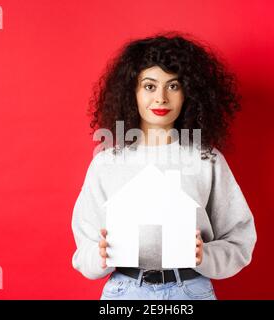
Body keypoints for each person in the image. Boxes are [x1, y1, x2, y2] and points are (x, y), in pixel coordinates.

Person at [71, 32, 257, 300]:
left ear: (188, 93)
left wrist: (205, 255)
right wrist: (100, 255)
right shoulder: (107, 161)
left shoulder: (206, 159)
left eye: (173, 86)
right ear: (131, 92)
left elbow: (239, 240)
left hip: (191, 290)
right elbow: (84, 247)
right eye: (149, 86)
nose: (161, 98)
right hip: (125, 291)